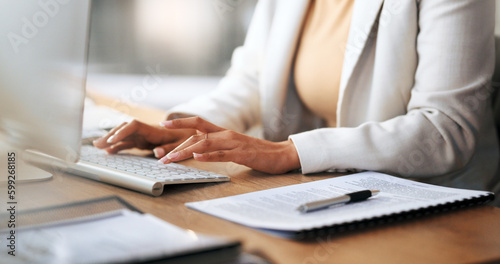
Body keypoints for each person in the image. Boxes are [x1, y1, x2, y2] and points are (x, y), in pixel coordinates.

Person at [94, 0, 500, 204]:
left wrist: (289, 151)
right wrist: (184, 127)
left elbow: (445, 128)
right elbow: (254, 76)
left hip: (424, 201)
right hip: (318, 192)